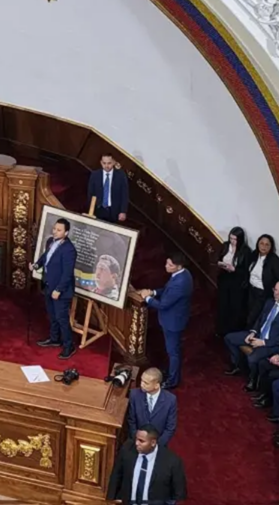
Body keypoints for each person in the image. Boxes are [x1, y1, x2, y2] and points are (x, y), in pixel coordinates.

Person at [139, 252, 193, 389]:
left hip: (173, 322)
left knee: (173, 352)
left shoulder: (180, 283)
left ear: (179, 266)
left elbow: (163, 305)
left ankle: (172, 380)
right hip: (174, 318)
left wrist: (147, 298)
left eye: (170, 265)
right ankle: (170, 372)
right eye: (167, 263)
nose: (166, 266)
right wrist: (154, 292)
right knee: (172, 349)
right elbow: (167, 290)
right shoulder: (182, 274)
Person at [224, 280, 279, 380]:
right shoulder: (269, 302)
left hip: (271, 344)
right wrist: (253, 332)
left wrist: (263, 342)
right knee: (229, 338)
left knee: (252, 358)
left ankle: (253, 380)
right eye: (275, 290)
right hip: (257, 336)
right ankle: (237, 366)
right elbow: (260, 319)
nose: (276, 293)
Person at [107, 425, 187, 504]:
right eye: (136, 439)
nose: (136, 443)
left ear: (153, 443)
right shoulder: (127, 449)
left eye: (141, 441)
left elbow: (179, 493)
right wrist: (112, 499)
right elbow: (116, 474)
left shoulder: (172, 461)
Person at [34, 218, 77, 359]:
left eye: (59, 230)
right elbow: (46, 256)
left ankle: (69, 346)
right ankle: (54, 338)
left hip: (60, 291)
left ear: (66, 232)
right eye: (54, 229)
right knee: (52, 315)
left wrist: (58, 290)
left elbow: (67, 273)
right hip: (48, 285)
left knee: (62, 318)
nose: (55, 232)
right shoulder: (50, 242)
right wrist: (37, 265)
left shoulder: (69, 250)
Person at [242, 234, 279, 326]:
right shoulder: (254, 255)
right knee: (246, 312)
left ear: (271, 247)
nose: (263, 246)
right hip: (251, 290)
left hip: (263, 294)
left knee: (254, 317)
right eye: (261, 243)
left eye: (267, 245)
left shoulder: (275, 261)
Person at [214, 227, 251, 335]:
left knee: (234, 306)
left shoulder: (245, 251)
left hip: (237, 282)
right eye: (231, 238)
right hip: (225, 278)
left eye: (235, 239)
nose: (232, 241)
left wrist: (234, 269)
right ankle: (220, 329)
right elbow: (219, 257)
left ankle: (231, 330)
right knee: (223, 304)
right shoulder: (225, 246)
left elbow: (247, 270)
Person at [126, 368, 177, 446]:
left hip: (158, 445)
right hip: (136, 443)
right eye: (141, 380)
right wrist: (138, 440)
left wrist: (156, 446)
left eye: (146, 383)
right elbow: (131, 420)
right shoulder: (134, 395)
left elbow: (170, 427)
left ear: (156, 385)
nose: (141, 384)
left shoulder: (170, 400)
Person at [86, 154, 129, 224]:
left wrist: (123, 211)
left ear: (114, 162)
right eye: (104, 163)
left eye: (109, 163)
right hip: (98, 210)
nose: (106, 166)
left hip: (114, 211)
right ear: (101, 162)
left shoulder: (120, 176)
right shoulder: (95, 175)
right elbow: (90, 193)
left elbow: (124, 194)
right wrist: (90, 210)